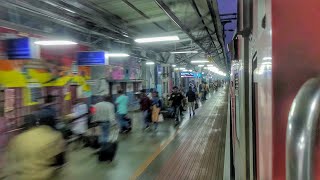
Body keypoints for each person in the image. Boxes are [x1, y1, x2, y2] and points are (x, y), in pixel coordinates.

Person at [5, 114, 65, 180]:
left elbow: (12, 163)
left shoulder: (17, 140)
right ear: (37, 123)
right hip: (44, 176)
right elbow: (60, 161)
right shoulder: (51, 135)